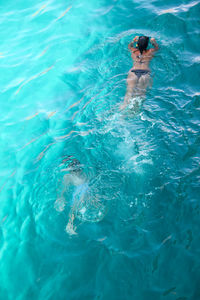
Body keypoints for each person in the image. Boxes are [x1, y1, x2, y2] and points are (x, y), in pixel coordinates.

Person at [121, 35, 159, 109]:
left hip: (133, 73)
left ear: (137, 44)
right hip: (145, 73)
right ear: (147, 45)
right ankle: (134, 113)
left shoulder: (133, 51)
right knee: (140, 97)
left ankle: (121, 110)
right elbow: (157, 48)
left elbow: (129, 46)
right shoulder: (150, 51)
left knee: (128, 95)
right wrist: (153, 42)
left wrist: (133, 40)